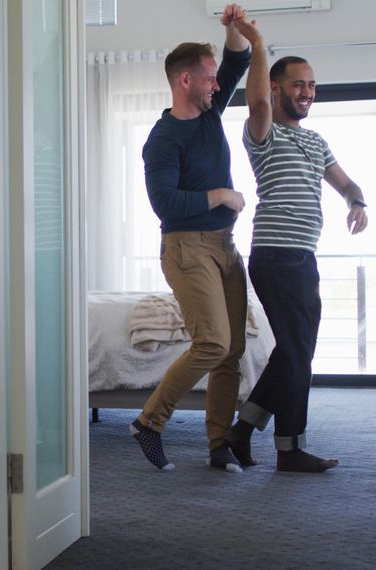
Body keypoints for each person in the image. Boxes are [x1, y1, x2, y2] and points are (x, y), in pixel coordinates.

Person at [225, 17, 369, 473]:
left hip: (303, 258)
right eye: (297, 84)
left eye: (312, 85)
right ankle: (270, 440)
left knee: (296, 352)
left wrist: (357, 202)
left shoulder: (316, 140)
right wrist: (258, 42)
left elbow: (346, 183)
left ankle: (264, 438)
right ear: (276, 87)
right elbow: (257, 100)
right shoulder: (264, 134)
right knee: (295, 350)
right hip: (276, 254)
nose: (307, 92)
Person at [130, 4, 254, 474]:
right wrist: (220, 193)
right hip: (186, 248)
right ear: (186, 82)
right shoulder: (163, 139)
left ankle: (219, 443)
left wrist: (234, 29)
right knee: (213, 343)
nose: (216, 85)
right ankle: (149, 421)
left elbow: (237, 62)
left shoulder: (209, 115)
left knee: (233, 350)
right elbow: (165, 203)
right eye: (208, 79)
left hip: (225, 245)